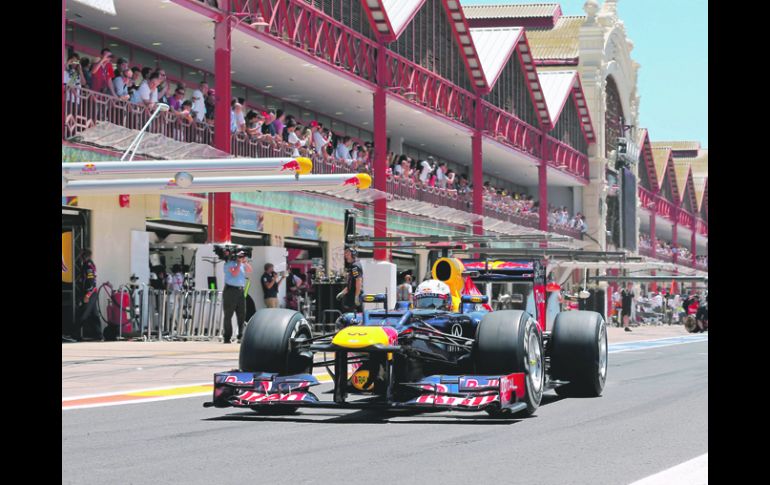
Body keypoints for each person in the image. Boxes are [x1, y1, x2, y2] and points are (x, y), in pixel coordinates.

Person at [222, 251, 252, 343]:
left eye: (242, 256)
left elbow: (249, 270)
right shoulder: (228, 264)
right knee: (228, 314)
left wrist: (245, 262)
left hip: (240, 290)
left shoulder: (242, 264)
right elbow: (234, 273)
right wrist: (239, 264)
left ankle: (241, 335)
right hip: (230, 290)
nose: (241, 257)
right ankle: (227, 336)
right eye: (240, 256)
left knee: (241, 314)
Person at [76, 249, 101, 340]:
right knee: (94, 315)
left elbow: (91, 281)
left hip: (90, 293)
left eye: (81, 255)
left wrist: (88, 294)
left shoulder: (89, 265)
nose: (79, 257)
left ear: (84, 256)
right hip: (92, 293)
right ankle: (99, 336)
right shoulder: (86, 265)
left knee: (83, 313)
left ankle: (74, 335)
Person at [336, 247, 363, 313]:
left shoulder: (355, 266)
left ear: (353, 255)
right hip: (352, 295)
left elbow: (358, 281)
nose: (346, 256)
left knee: (351, 316)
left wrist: (356, 296)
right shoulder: (353, 266)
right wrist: (343, 292)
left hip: (354, 296)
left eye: (348, 254)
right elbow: (351, 283)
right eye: (345, 254)